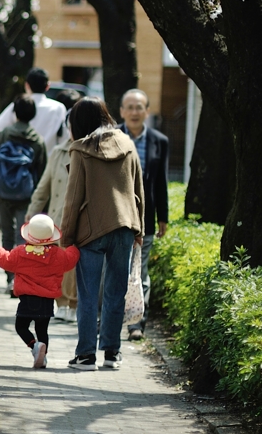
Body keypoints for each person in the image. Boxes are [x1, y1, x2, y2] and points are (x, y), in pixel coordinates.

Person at [60, 97, 145, 371]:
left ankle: (85, 356)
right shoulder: (127, 145)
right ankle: (111, 353)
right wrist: (139, 228)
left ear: (79, 122)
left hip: (90, 231)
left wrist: (66, 237)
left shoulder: (81, 150)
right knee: (115, 293)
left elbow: (73, 199)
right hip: (123, 226)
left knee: (87, 295)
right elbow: (139, 191)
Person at [0, 214, 80, 369]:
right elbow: (70, 259)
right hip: (47, 302)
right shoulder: (58, 255)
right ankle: (42, 356)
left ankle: (34, 347)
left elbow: (6, 259)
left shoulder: (20, 253)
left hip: (27, 300)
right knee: (42, 330)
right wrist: (74, 247)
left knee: (21, 327)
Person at [26, 89, 84, 321]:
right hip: (57, 219)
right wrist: (31, 215)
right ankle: (61, 304)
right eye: (70, 124)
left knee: (74, 266)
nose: (73, 129)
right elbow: (43, 188)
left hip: (81, 219)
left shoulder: (90, 153)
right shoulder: (58, 153)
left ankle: (74, 304)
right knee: (58, 264)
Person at [118, 89, 169, 341]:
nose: (135, 112)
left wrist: (164, 217)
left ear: (147, 111)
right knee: (115, 270)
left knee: (140, 272)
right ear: (121, 111)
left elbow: (161, 182)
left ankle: (136, 324)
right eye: (130, 107)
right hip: (116, 218)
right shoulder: (112, 136)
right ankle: (108, 319)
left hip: (145, 219)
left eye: (139, 107)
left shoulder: (159, 141)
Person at [0, 94, 47, 295]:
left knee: (7, 234)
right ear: (33, 115)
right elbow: (42, 174)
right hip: (26, 196)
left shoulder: (3, 135)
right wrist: (41, 203)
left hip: (2, 193)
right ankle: (20, 279)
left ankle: (10, 278)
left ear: (14, 113)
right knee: (24, 236)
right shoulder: (37, 140)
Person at [0, 68, 68, 151]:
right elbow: (64, 138)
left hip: (21, 160)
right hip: (49, 161)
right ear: (47, 86)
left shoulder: (17, 105)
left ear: (26, 85)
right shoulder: (59, 108)